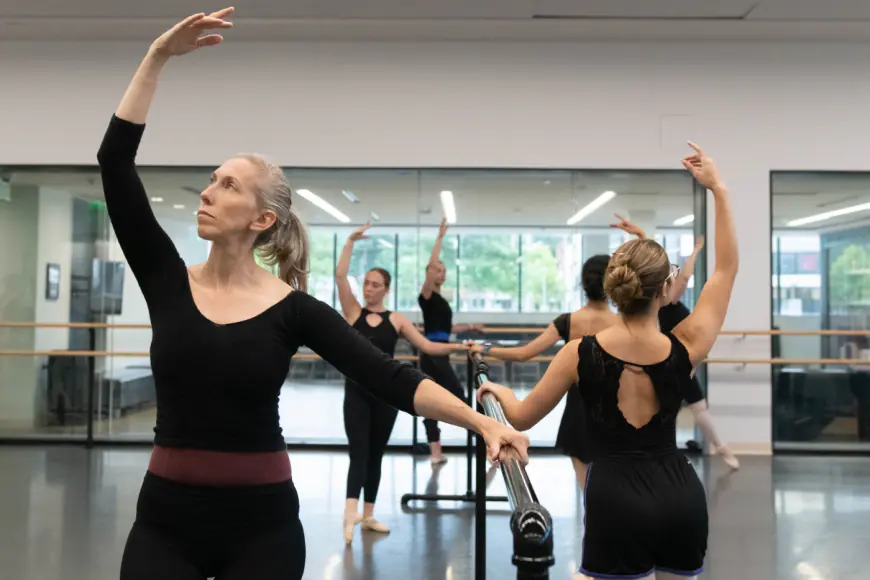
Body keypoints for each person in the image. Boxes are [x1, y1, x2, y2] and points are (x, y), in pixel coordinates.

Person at [100, 10, 529, 580]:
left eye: (226, 184)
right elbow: (114, 161)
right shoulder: (166, 281)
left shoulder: (293, 311)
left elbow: (391, 378)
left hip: (262, 529)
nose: (206, 192)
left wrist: (483, 424)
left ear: (262, 218)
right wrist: (156, 56)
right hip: (163, 524)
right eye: (210, 179)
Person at [479, 141, 737, 579]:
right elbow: (726, 270)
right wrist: (718, 189)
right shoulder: (687, 345)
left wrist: (496, 390)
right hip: (681, 495)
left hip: (615, 497)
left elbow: (520, 418)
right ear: (663, 292)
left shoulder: (579, 353)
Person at [335, 223, 469, 543]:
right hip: (355, 393)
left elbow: (427, 346)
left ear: (386, 289)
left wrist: (461, 347)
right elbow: (341, 278)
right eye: (366, 283)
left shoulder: (396, 320)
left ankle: (368, 515)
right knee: (359, 453)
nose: (368, 289)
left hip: (385, 396)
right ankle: (349, 514)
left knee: (376, 453)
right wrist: (350, 243)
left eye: (375, 285)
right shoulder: (352, 311)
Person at [470, 254, 618, 486]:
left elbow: (524, 353)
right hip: (617, 410)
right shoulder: (622, 323)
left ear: (584, 283)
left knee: (587, 490)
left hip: (580, 411)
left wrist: (485, 348)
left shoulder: (569, 321)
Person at [612, 216, 739, 470]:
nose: (676, 280)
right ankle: (719, 448)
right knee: (691, 407)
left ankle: (719, 447)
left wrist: (641, 236)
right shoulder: (667, 301)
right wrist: (694, 251)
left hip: (675, 354)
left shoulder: (666, 301)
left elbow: (656, 267)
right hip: (671, 356)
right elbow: (680, 274)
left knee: (693, 407)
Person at [418, 217, 483, 464]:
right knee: (454, 395)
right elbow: (431, 264)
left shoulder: (441, 302)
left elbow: (447, 328)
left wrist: (471, 327)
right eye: (437, 270)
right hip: (432, 354)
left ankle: (440, 451)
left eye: (443, 271)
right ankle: (476, 440)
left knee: (438, 399)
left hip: (441, 351)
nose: (441, 273)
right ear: (430, 273)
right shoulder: (426, 295)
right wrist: (440, 237)